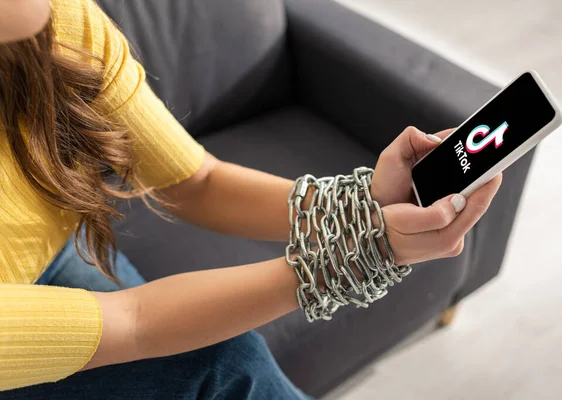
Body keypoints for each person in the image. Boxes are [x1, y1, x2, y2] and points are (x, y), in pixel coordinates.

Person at [0, 0, 502, 398]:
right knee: (223, 370)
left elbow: (195, 182)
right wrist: (359, 253)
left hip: (51, 257)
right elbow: (136, 325)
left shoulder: (54, 24)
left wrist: (359, 205)